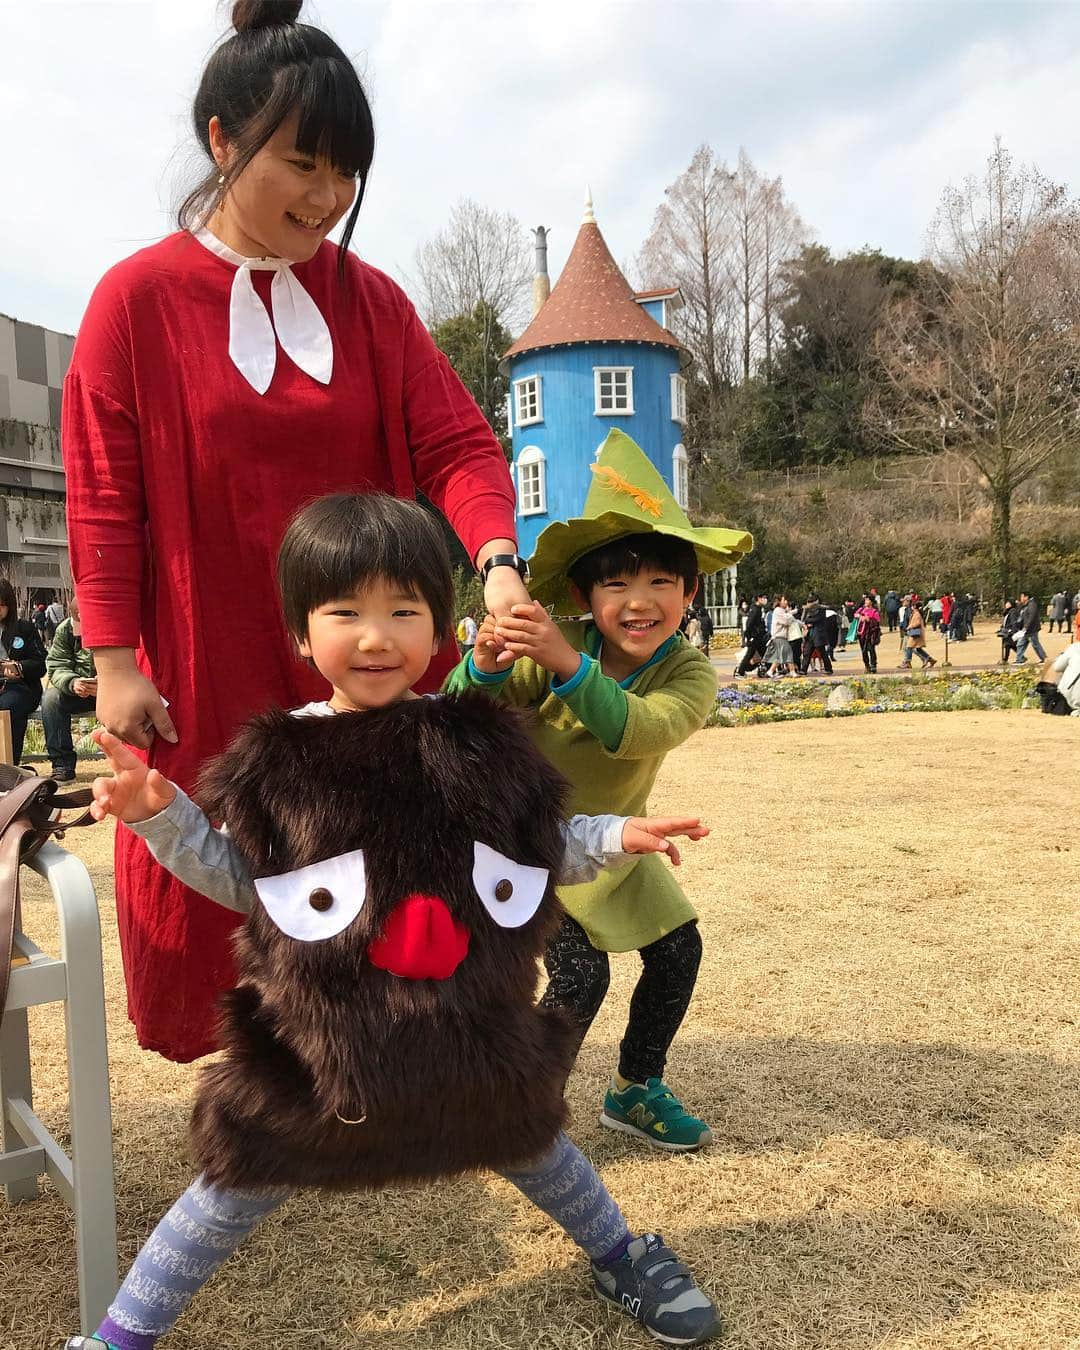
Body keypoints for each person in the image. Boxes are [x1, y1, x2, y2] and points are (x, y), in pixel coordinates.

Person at [60, 492, 722, 1350]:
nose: (376, 637)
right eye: (347, 612)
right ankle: (119, 1336)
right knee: (232, 1184)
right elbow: (246, 882)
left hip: (472, 1039)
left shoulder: (477, 742)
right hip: (323, 1057)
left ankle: (621, 1253)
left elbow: (528, 853)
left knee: (535, 1144)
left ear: (440, 628)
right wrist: (164, 816)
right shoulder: (282, 760)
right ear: (301, 633)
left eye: (403, 611)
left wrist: (614, 835)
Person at [62, 1, 532, 1063]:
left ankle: (378, 1073)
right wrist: (114, 662)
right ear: (222, 142)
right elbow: (102, 496)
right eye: (303, 164)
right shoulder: (134, 301)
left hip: (359, 658)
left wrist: (496, 565)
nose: (328, 198)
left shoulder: (372, 303)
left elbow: (459, 445)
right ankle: (259, 1093)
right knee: (218, 870)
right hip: (208, 647)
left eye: (346, 172)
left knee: (383, 870)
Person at [448, 431, 751, 1155]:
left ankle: (635, 1088)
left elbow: (635, 730)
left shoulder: (688, 673)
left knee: (680, 952)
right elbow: (461, 717)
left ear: (690, 590)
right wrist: (486, 665)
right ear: (584, 595)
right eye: (616, 585)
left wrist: (564, 664)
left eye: (660, 584)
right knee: (581, 978)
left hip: (620, 842)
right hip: (531, 845)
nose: (639, 603)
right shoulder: (557, 642)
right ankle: (521, 1107)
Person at [42, 596, 98, 782]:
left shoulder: (115, 625)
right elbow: (57, 665)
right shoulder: (65, 629)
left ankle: (129, 761)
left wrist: (109, 683)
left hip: (113, 690)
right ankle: (62, 765)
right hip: (77, 690)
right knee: (51, 699)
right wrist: (73, 682)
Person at [0, 579, 47, 764]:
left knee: (8, 707)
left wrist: (18, 668)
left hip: (20, 687)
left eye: (1, 605)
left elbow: (40, 663)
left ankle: (9, 764)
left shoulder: (24, 628)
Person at [799, 595, 833, 675]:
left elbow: (818, 619)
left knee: (822, 653)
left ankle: (828, 669)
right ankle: (803, 670)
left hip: (818, 634)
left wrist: (809, 621)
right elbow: (803, 619)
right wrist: (807, 621)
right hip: (810, 635)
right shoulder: (806, 610)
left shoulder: (821, 609)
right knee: (807, 652)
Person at [736, 593, 769, 676]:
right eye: (764, 598)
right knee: (749, 654)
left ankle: (768, 670)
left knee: (765, 653)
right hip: (754, 637)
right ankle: (740, 671)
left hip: (759, 636)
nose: (765, 600)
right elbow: (749, 623)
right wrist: (750, 636)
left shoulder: (758, 609)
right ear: (759, 598)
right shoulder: (754, 610)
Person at [900, 597, 936, 670]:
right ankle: (930, 659)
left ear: (914, 607)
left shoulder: (916, 614)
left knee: (909, 647)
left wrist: (909, 627)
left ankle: (907, 662)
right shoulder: (916, 613)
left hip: (915, 633)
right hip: (917, 633)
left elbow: (917, 623)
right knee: (918, 649)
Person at [1014, 590, 1047, 665]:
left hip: (1031, 629)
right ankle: (1019, 659)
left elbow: (1031, 617)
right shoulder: (1025, 605)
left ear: (1026, 597)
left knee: (1035, 644)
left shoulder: (1032, 604)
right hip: (1026, 629)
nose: (1021, 598)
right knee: (1021, 644)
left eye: (1022, 596)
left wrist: (1026, 627)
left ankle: (1044, 658)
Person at [764, 596, 794, 677]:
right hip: (779, 636)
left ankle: (770, 671)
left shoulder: (782, 611)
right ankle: (792, 671)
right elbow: (786, 621)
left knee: (780, 655)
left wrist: (788, 613)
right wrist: (790, 614)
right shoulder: (778, 611)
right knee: (788, 652)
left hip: (780, 636)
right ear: (779, 602)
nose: (786, 602)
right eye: (784, 600)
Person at [855, 595, 881, 674]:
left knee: (871, 649)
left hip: (870, 634)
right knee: (864, 650)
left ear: (872, 602)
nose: (866, 602)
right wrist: (860, 616)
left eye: (868, 600)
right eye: (865, 600)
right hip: (861, 634)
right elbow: (855, 614)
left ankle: (873, 665)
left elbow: (877, 622)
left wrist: (868, 619)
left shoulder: (874, 611)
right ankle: (867, 666)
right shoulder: (861, 609)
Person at [997, 600, 1021, 664]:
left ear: (1011, 604)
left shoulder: (1012, 611)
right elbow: (1005, 621)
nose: (1006, 604)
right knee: (1010, 645)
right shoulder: (1008, 611)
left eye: (1008, 603)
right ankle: (1020, 656)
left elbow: (1013, 622)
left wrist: (1012, 631)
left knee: (1009, 645)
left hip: (1009, 631)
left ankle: (1005, 659)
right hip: (1006, 631)